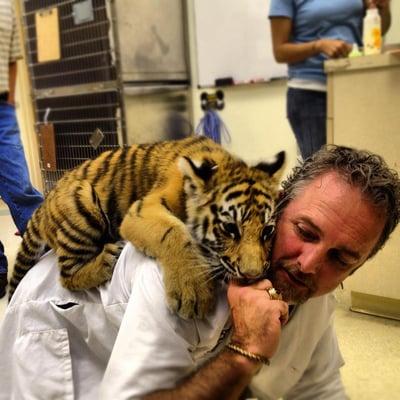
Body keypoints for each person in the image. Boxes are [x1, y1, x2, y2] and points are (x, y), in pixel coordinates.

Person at [1, 145, 399, 399]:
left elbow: (320, 390)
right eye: (305, 232)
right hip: (57, 329)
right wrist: (245, 353)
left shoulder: (307, 281)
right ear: (276, 206)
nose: (309, 263)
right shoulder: (179, 267)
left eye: (342, 259)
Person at [269, 0, 391, 159]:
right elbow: (280, 52)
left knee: (365, 167)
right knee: (321, 172)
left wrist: (383, 8)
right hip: (311, 93)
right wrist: (318, 46)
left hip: (356, 88)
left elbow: (379, 29)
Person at [0, 0, 43, 298]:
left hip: (1, 107)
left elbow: (13, 59)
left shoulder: (6, 8)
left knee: (19, 184)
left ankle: (50, 244)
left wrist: (10, 103)